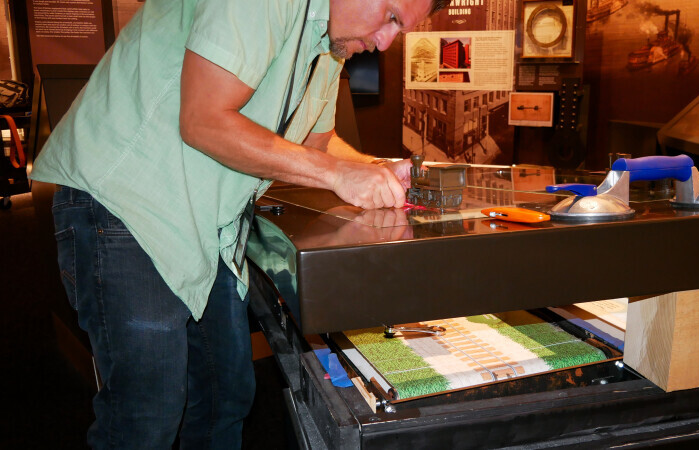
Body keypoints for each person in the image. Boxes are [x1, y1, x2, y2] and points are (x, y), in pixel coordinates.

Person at [30, 0, 452, 447]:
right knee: (147, 416)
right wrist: (338, 175)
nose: (385, 42)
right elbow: (204, 121)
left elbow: (318, 145)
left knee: (224, 398)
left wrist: (375, 171)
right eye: (390, 17)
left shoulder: (330, 44)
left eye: (399, 30)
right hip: (129, 203)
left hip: (207, 223)